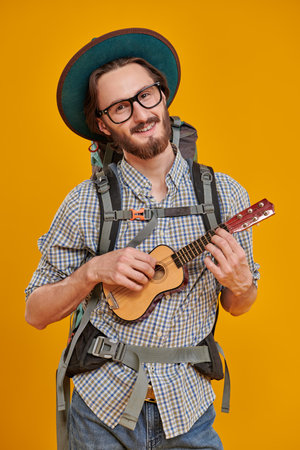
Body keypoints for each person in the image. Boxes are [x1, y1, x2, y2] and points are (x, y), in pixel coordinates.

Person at [25, 29, 259, 449]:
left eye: (145, 96)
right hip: (100, 413)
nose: (140, 114)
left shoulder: (226, 196)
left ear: (163, 95)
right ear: (102, 123)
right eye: (119, 107)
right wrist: (92, 271)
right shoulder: (84, 203)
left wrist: (242, 286)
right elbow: (35, 313)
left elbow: (238, 305)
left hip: (189, 409)